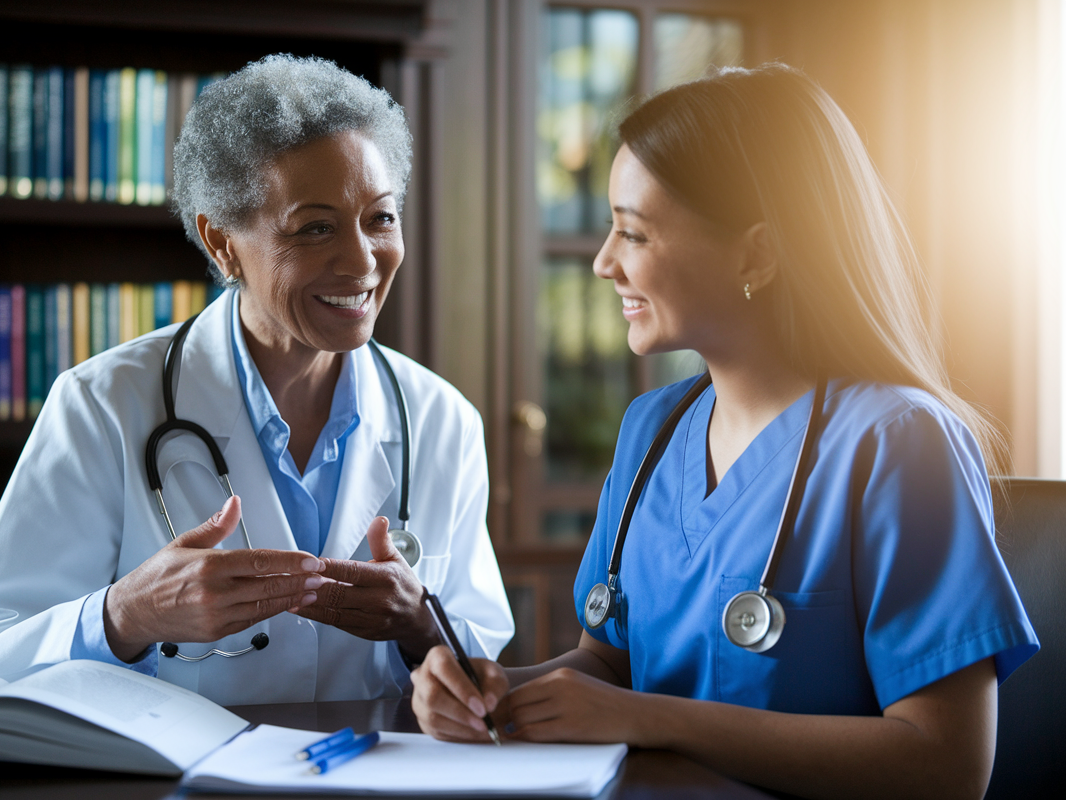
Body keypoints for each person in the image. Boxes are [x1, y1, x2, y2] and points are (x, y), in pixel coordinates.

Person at [410, 64, 1037, 800]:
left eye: (633, 232)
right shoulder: (653, 428)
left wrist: (650, 719)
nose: (604, 263)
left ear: (756, 255)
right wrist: (491, 692)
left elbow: (946, 765)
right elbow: (609, 667)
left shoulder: (899, 442)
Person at [0, 55, 513, 706]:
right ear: (222, 243)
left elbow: (481, 661)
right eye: (315, 228)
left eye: (380, 218)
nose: (361, 261)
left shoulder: (440, 420)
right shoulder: (103, 406)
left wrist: (420, 624)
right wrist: (128, 614)